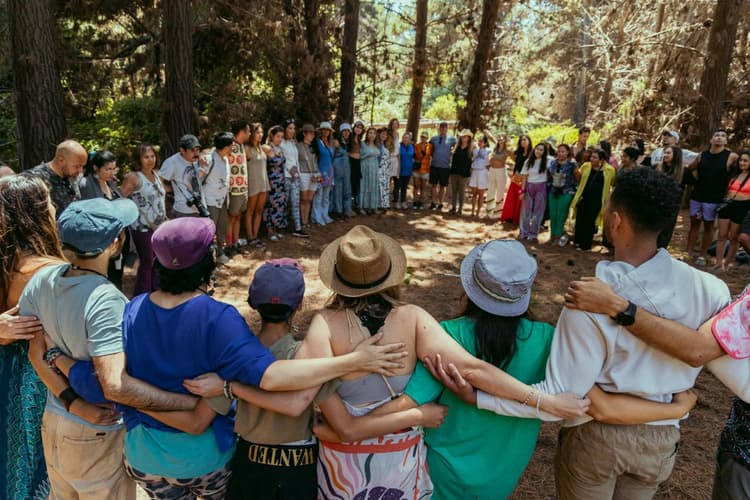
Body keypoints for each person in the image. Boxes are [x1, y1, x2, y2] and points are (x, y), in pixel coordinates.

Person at [49, 218, 409, 500]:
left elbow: (105, 375)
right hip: (203, 459)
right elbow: (271, 377)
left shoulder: (134, 308)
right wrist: (352, 361)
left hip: (144, 456)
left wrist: (54, 357)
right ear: (206, 261)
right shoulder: (218, 318)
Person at [470, 168, 733, 499]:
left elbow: (561, 395)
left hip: (597, 439)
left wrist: (482, 398)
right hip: (662, 439)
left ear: (617, 221)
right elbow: (709, 351)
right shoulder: (711, 289)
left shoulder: (590, 300)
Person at [374, 239, 697, 499]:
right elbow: (584, 394)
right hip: (502, 476)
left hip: (438, 471)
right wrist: (675, 405)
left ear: (469, 284)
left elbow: (412, 399)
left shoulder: (446, 335)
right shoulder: (548, 340)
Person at [303, 225, 590, 498]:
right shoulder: (414, 318)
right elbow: (473, 369)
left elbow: (306, 383)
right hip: (442, 468)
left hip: (361, 467)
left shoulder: (325, 324)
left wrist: (348, 428)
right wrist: (543, 401)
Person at [21, 198, 203, 499]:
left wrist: (70, 402)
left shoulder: (43, 280)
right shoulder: (105, 299)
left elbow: (36, 354)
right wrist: (186, 404)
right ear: (116, 243)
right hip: (96, 433)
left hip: (55, 421)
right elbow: (115, 385)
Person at [562, 273, 750, 499]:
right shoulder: (711, 288)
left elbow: (699, 350)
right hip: (663, 441)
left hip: (742, 455)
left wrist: (618, 306)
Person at [0, 175, 67, 499]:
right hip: (40, 381)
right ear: (37, 213)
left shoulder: (6, 265)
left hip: (6, 376)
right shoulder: (51, 271)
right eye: (49, 202)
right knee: (40, 466)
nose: (54, 208)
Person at [686, 129, 739, 265]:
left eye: (723, 136)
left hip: (715, 197)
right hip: (697, 195)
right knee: (694, 224)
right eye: (716, 135)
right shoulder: (702, 155)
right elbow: (690, 168)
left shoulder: (731, 156)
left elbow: (740, 170)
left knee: (709, 226)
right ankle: (689, 253)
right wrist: (695, 178)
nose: (719, 138)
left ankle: (703, 255)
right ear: (711, 139)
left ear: (726, 141)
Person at [120, 143, 167, 295]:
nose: (150, 160)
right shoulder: (133, 177)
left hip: (160, 226)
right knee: (147, 262)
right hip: (142, 227)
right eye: (146, 157)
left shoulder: (157, 174)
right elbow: (121, 198)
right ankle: (141, 296)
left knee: (158, 260)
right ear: (138, 159)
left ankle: (156, 292)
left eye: (152, 156)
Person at [78, 150, 129, 289]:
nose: (112, 173)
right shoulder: (86, 184)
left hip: (118, 235)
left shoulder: (111, 183)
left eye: (114, 169)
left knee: (116, 273)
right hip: (99, 238)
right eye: (107, 169)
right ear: (96, 168)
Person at [23, 140, 86, 216]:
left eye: (82, 166)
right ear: (61, 160)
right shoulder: (34, 180)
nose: (80, 171)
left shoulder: (71, 176)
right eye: (77, 166)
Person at [571, 148, 616, 251]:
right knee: (580, 219)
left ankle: (586, 245)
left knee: (590, 221)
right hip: (583, 197)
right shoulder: (586, 166)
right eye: (591, 156)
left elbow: (612, 183)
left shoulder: (610, 170)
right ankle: (577, 241)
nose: (592, 159)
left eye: (595, 157)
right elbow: (578, 178)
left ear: (602, 160)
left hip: (596, 201)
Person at [714, 150, 750, 271]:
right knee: (722, 235)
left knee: (734, 237)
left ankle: (727, 264)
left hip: (742, 207)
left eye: (745, 161)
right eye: (741, 160)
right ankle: (718, 263)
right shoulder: (735, 174)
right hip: (728, 205)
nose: (742, 163)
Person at [159, 134, 207, 218]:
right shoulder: (172, 162)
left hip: (200, 207)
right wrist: (169, 190)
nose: (196, 153)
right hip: (183, 211)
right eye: (192, 150)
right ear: (182, 150)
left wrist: (202, 165)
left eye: (198, 150)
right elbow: (159, 180)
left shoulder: (197, 159)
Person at [202, 132, 232, 262]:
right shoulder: (209, 159)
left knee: (221, 227)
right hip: (211, 200)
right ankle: (208, 257)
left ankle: (219, 254)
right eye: (231, 145)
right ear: (225, 146)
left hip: (223, 199)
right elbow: (199, 178)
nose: (233, 148)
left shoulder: (225, 158)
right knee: (210, 230)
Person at [279, 119, 308, 238]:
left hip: (295, 177)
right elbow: (281, 160)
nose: (292, 130)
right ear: (285, 129)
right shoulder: (281, 143)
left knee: (295, 202)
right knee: (284, 203)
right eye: (290, 128)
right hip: (285, 177)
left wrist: (298, 173)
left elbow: (295, 160)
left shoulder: (293, 143)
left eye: (293, 128)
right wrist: (288, 169)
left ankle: (298, 227)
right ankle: (282, 226)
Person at [227, 120, 251, 252]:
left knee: (238, 216)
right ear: (242, 131)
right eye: (248, 130)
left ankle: (235, 243)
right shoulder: (230, 145)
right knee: (231, 217)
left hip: (243, 188)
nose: (250, 133)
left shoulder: (241, 146)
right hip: (234, 189)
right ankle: (229, 244)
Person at [519, 143, 550, 241]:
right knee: (525, 212)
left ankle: (533, 234)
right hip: (529, 186)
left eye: (541, 150)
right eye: (537, 149)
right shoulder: (528, 161)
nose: (539, 151)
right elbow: (524, 176)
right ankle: (524, 232)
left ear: (544, 152)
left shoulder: (548, 161)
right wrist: (522, 190)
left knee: (538, 212)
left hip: (541, 187)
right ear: (534, 149)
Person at [245, 123, 270, 247]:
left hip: (264, 183)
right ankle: (250, 237)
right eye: (257, 132)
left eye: (261, 132)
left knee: (259, 211)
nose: (260, 135)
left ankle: (256, 236)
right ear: (252, 134)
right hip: (253, 183)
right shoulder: (247, 148)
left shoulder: (262, 148)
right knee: (250, 211)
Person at [548, 144, 577, 245]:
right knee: (553, 214)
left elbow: (578, 177)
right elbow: (549, 176)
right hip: (553, 191)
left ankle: (558, 236)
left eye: (563, 151)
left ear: (568, 152)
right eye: (559, 151)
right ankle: (552, 235)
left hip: (566, 192)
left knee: (561, 214)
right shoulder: (552, 163)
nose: (560, 153)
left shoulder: (572, 164)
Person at [263, 126, 288, 241]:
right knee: (271, 206)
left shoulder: (280, 149)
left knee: (280, 206)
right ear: (272, 136)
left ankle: (277, 229)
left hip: (281, 181)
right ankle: (269, 231)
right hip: (272, 181)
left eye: (281, 137)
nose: (280, 139)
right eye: (278, 136)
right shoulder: (267, 148)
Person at [501, 135, 532, 225]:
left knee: (521, 199)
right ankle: (509, 217)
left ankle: (518, 218)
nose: (523, 141)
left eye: (525, 140)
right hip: (516, 176)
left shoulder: (532, 153)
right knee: (512, 197)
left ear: (529, 141)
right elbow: (510, 155)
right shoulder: (518, 152)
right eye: (521, 140)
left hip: (526, 178)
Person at [429, 122, 457, 210]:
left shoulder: (452, 139)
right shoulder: (433, 139)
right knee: (433, 185)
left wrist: (453, 152)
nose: (443, 129)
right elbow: (428, 147)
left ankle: (440, 203)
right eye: (442, 128)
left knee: (442, 186)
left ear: (447, 129)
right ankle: (433, 202)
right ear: (439, 129)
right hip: (434, 165)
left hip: (445, 166)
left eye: (445, 128)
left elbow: (459, 145)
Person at [296, 124, 319, 228]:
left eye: (313, 133)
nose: (311, 135)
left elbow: (315, 162)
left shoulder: (313, 146)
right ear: (304, 133)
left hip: (314, 174)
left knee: (309, 199)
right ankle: (302, 220)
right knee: (303, 198)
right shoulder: (298, 146)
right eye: (309, 132)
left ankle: (306, 220)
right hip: (304, 174)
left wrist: (317, 174)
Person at [311, 122, 334, 225]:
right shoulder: (316, 142)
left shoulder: (330, 143)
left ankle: (325, 215)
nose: (325, 132)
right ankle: (317, 217)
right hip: (320, 171)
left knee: (326, 196)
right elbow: (314, 157)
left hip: (329, 172)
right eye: (323, 129)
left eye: (327, 130)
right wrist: (316, 172)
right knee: (318, 195)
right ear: (320, 131)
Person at [486, 133, 510, 220]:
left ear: (505, 140)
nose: (500, 139)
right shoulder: (494, 149)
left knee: (500, 191)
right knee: (491, 189)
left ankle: (498, 213)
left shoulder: (507, 150)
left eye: (502, 138)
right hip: (492, 170)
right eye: (498, 138)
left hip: (501, 171)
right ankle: (489, 211)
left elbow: (514, 157)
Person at [449, 130, 473, 216]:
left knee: (461, 192)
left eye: (466, 136)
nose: (464, 138)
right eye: (462, 136)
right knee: (454, 191)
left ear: (469, 138)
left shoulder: (471, 149)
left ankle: (460, 209)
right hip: (454, 172)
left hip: (464, 174)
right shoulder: (457, 147)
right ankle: (453, 208)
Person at [332, 123, 353, 219]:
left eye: (348, 131)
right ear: (340, 132)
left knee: (347, 189)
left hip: (347, 169)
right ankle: (338, 211)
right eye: (344, 131)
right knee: (338, 190)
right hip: (337, 168)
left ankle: (347, 210)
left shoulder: (349, 143)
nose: (346, 133)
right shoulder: (336, 142)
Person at [358, 127, 380, 214]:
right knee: (364, 186)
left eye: (374, 133)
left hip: (374, 168)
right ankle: (362, 207)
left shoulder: (376, 145)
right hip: (365, 167)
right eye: (370, 133)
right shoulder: (363, 144)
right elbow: (360, 156)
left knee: (373, 186)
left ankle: (373, 206)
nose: (372, 135)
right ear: (367, 134)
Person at [469, 135, 490, 218]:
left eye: (481, 141)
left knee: (481, 194)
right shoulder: (475, 150)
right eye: (479, 141)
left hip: (483, 172)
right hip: (475, 172)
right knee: (474, 194)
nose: (479, 143)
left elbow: (489, 163)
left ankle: (478, 212)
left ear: (485, 143)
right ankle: (472, 211)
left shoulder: (488, 151)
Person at [412, 131, 432, 209]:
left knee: (422, 188)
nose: (423, 138)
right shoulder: (416, 146)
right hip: (417, 169)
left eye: (425, 137)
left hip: (426, 169)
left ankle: (421, 202)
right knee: (416, 186)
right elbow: (417, 156)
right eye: (422, 137)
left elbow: (431, 155)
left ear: (427, 138)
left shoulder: (430, 146)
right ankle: (415, 202)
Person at [395, 131, 415, 209]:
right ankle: (396, 202)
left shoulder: (411, 146)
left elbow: (413, 157)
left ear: (410, 139)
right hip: (399, 170)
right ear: (402, 138)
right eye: (404, 137)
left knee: (404, 187)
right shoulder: (399, 146)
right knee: (397, 187)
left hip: (408, 171)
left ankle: (403, 202)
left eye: (407, 138)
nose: (405, 139)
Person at [349, 120, 365, 210]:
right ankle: (349, 205)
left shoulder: (359, 140)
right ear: (354, 127)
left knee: (356, 183)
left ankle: (355, 204)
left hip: (358, 163)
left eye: (361, 128)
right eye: (357, 127)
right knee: (350, 182)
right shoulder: (350, 139)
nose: (359, 129)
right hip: (351, 162)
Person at [377, 128, 392, 211]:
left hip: (386, 170)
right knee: (379, 186)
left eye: (385, 134)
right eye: (382, 134)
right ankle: (379, 204)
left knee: (385, 186)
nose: (384, 135)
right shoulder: (377, 146)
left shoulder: (385, 146)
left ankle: (385, 204)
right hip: (379, 169)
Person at [388, 119, 401, 201]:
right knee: (388, 179)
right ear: (391, 124)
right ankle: (386, 199)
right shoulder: (388, 134)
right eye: (393, 123)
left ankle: (395, 198)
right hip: (389, 158)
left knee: (395, 179)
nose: (395, 125)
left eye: (396, 124)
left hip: (396, 159)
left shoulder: (398, 134)